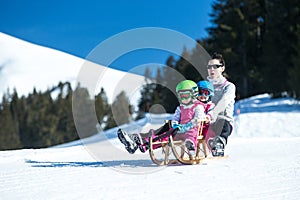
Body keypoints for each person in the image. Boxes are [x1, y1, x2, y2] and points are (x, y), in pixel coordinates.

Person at [117, 80, 208, 155]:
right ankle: (140, 141)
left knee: (174, 136)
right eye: (181, 96)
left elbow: (199, 118)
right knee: (163, 135)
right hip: (178, 130)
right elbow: (175, 118)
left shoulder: (198, 106)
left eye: (186, 95)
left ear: (194, 94)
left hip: (191, 131)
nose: (183, 98)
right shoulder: (180, 108)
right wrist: (175, 124)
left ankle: (190, 146)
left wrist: (187, 126)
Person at [206, 52, 236, 157]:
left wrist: (212, 114)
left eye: (216, 66)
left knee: (221, 123)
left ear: (222, 68)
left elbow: (224, 101)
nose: (212, 69)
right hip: (206, 121)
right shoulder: (204, 87)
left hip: (222, 121)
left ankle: (219, 144)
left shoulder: (228, 87)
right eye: (209, 67)